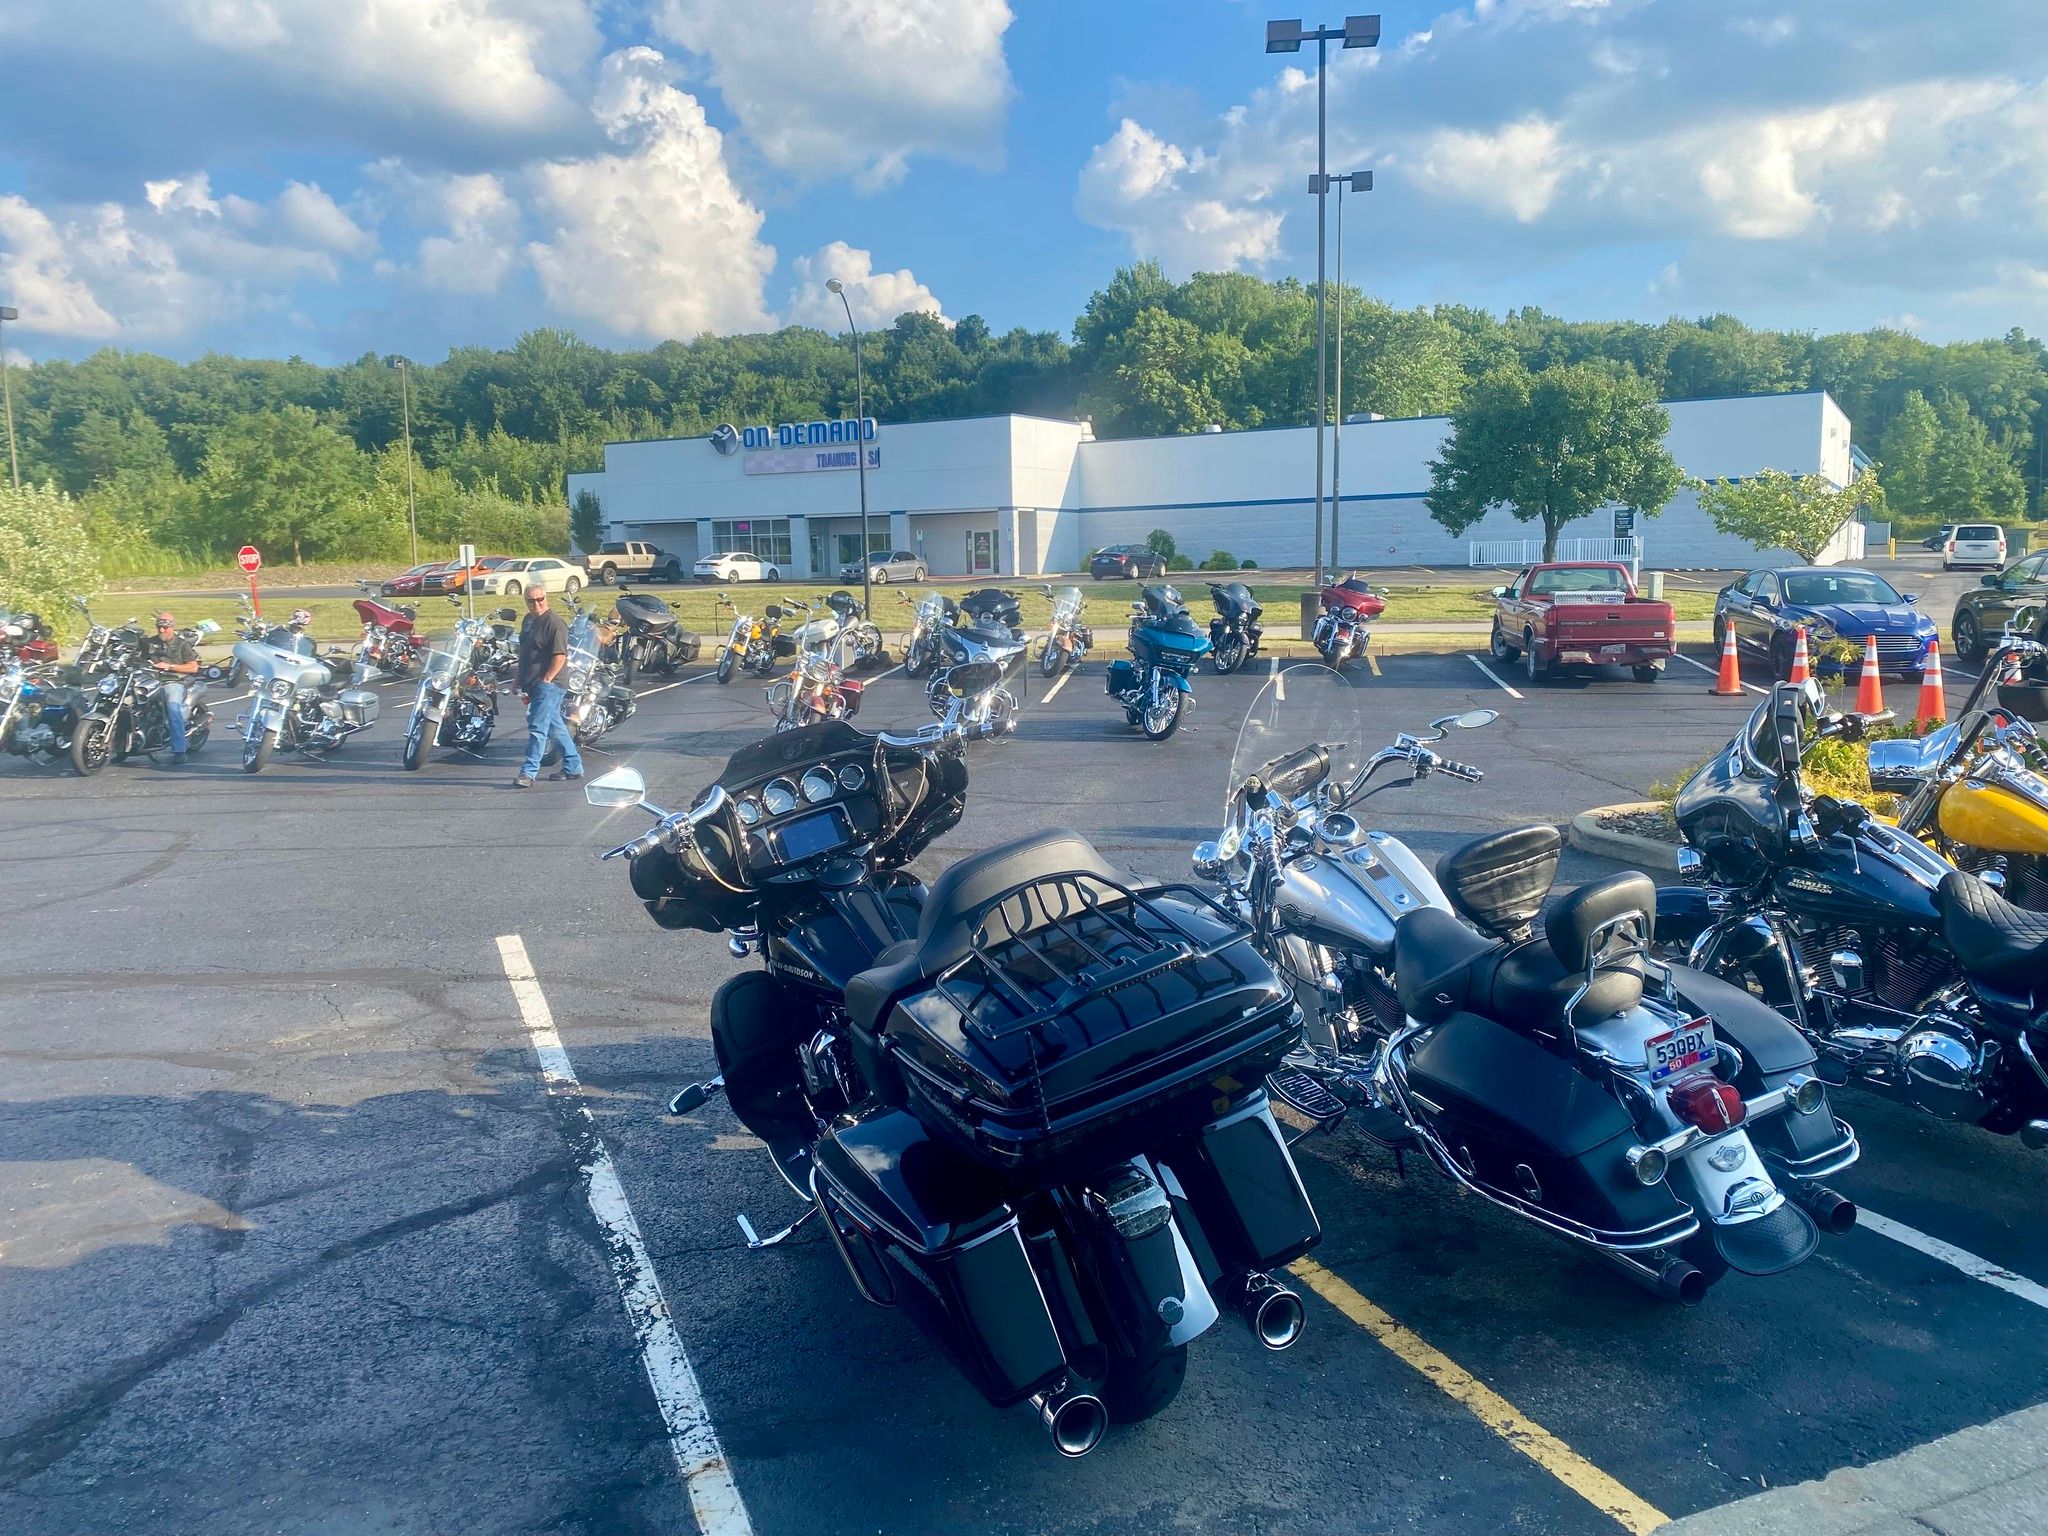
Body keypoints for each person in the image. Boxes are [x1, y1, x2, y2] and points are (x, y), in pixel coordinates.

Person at [515, 582, 582, 788]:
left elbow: (560, 656)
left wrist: (546, 679)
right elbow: (525, 653)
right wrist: (518, 680)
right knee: (555, 727)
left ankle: (528, 772)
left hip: (550, 684)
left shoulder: (555, 623)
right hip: (533, 683)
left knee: (538, 728)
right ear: (525, 601)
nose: (536, 604)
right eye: (531, 600)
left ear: (546, 598)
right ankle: (573, 766)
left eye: (540, 599)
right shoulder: (528, 620)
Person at [147, 611, 202, 764]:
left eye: (165, 627)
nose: (161, 630)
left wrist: (169, 666)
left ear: (172, 627)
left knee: (173, 708)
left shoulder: (182, 644)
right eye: (159, 627)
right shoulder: (149, 643)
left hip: (173, 681)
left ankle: (179, 750)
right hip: (151, 681)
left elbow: (193, 667)